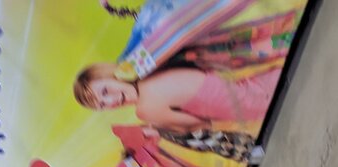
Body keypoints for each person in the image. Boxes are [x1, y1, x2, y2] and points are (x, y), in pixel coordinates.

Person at [73, 60, 279, 132]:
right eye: (102, 105)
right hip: (241, 78)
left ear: (110, 74)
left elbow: (197, 124)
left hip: (243, 103)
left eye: (105, 92)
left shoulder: (145, 110)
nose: (111, 101)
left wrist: (160, 128)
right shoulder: (150, 66)